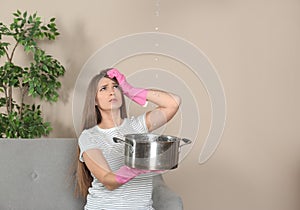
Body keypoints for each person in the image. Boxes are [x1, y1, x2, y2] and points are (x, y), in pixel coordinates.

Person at [75, 68, 181, 210]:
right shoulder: (89, 136)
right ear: (94, 100)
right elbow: (108, 180)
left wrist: (132, 90)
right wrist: (138, 167)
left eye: (116, 87)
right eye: (104, 89)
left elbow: (173, 103)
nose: (112, 91)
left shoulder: (138, 126)